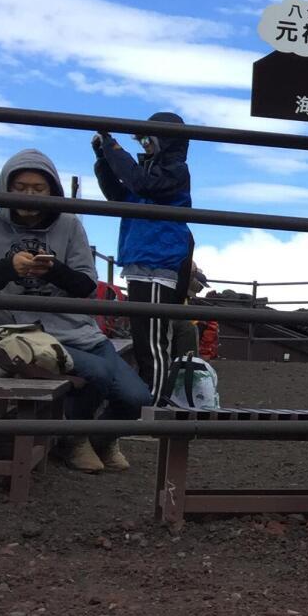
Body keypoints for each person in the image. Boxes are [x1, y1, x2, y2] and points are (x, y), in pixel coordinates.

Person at [0, 148, 149, 472]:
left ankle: (101, 438)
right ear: (5, 188)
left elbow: (86, 286)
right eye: (20, 187)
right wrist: (7, 269)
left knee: (137, 397)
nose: (29, 195)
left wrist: (53, 270)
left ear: (53, 191)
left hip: (81, 332)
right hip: (26, 337)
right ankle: (74, 441)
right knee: (95, 373)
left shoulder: (69, 225)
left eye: (38, 189)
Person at [92, 113, 193, 403]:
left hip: (158, 263)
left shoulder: (175, 170)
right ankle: (150, 400)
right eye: (142, 138)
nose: (145, 144)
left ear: (166, 140)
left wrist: (113, 148)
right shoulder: (148, 171)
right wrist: (102, 157)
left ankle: (155, 404)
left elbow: (140, 183)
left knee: (153, 342)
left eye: (149, 138)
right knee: (143, 339)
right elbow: (118, 194)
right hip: (140, 262)